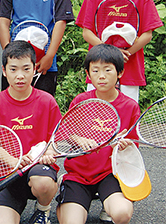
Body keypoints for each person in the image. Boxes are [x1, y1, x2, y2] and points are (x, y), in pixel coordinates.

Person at [56, 44, 140, 224]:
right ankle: (66, 187)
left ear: (120, 73)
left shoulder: (130, 106)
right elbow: (64, 132)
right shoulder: (81, 101)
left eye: (108, 70)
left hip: (110, 174)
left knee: (122, 213)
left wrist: (124, 145)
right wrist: (78, 138)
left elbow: (133, 148)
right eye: (95, 70)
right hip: (79, 174)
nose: (101, 76)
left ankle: (108, 203)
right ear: (88, 74)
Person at [0, 40, 62, 224]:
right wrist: (15, 161)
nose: (20, 76)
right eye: (13, 69)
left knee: (42, 183)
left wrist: (48, 154)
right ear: (4, 70)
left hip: (39, 170)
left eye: (26, 69)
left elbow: (54, 142)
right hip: (9, 173)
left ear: (34, 69)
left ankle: (43, 209)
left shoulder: (47, 102)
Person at [75, 0, 163, 103]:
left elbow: (147, 33)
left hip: (130, 65)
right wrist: (110, 53)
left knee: (128, 115)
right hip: (99, 65)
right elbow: (87, 32)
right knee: (96, 114)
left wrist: (126, 53)